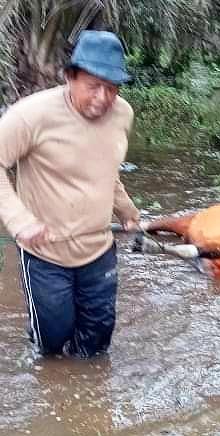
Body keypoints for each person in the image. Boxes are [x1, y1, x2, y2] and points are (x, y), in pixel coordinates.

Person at [0, 30, 139, 358]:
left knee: (97, 342)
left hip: (99, 250)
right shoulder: (29, 115)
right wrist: (19, 220)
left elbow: (107, 171)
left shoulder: (123, 114)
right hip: (45, 255)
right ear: (69, 77)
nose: (103, 98)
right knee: (51, 342)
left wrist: (127, 211)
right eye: (93, 86)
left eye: (112, 87)